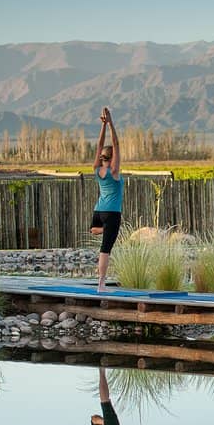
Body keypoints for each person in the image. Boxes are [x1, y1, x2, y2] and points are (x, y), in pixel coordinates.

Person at [90, 107, 123, 292]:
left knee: (95, 231)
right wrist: (110, 124)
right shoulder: (114, 172)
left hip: (99, 211)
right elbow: (116, 144)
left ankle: (104, 229)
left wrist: (102, 126)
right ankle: (101, 283)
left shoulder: (97, 169)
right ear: (112, 159)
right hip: (112, 213)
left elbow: (99, 145)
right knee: (105, 249)